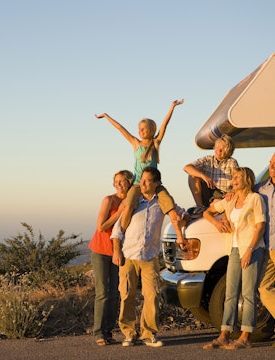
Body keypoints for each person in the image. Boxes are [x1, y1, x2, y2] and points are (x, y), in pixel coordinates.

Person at [111, 166, 187, 348]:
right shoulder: (133, 202)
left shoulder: (161, 203)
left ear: (156, 183)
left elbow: (181, 215)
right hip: (129, 255)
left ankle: (148, 334)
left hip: (150, 257)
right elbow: (118, 229)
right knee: (126, 294)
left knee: (151, 295)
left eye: (146, 181)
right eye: (141, 180)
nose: (142, 184)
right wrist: (116, 250)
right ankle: (129, 333)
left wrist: (183, 221)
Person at [95, 99, 184, 231]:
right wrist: (107, 116)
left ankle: (179, 235)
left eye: (144, 129)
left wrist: (172, 107)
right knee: (128, 205)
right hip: (137, 183)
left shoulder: (155, 143)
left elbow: (164, 125)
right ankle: (123, 232)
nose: (140, 131)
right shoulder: (136, 143)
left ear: (151, 130)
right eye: (139, 129)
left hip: (154, 183)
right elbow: (120, 128)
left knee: (169, 203)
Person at [202, 167, 266, 350]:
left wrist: (250, 250)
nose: (234, 179)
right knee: (230, 293)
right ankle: (224, 335)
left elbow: (260, 226)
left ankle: (246, 337)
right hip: (234, 249)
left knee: (248, 293)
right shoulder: (230, 200)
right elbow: (208, 212)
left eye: (238, 177)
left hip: (253, 249)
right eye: (233, 177)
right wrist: (217, 222)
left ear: (247, 179)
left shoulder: (255, 199)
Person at [88, 169, 134, 346]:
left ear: (129, 182)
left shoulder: (132, 201)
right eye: (116, 181)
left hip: (119, 251)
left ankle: (108, 332)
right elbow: (101, 227)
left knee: (115, 293)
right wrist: (119, 211)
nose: (119, 183)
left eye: (122, 180)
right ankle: (98, 332)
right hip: (101, 250)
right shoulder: (109, 200)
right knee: (102, 293)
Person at [183, 134, 239, 210]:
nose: (219, 151)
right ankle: (200, 207)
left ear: (228, 152)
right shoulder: (208, 159)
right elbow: (186, 168)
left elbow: (238, 180)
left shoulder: (232, 162)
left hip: (223, 194)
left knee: (216, 204)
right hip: (208, 192)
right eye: (217, 147)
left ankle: (213, 207)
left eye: (223, 149)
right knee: (192, 175)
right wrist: (203, 176)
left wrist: (232, 191)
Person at [257, 153, 275, 344]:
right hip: (268, 248)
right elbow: (241, 194)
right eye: (270, 162)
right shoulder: (260, 188)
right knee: (264, 288)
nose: (272, 166)